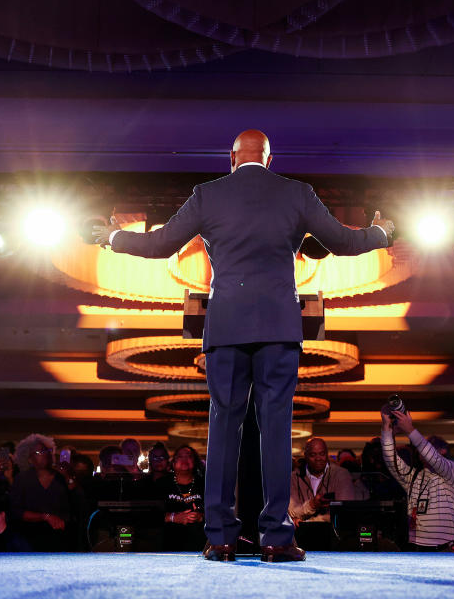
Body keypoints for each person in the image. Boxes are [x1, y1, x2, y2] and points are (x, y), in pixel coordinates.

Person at [94, 129, 393, 562]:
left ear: (230, 158)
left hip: (227, 326)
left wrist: (111, 237)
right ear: (270, 160)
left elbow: (158, 246)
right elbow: (344, 242)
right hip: (278, 328)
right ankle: (275, 538)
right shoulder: (297, 193)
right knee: (275, 433)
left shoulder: (206, 194)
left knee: (223, 430)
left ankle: (220, 539)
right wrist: (381, 232)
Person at [381, 408, 454, 550]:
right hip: (417, 546)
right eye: (422, 447)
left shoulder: (451, 471)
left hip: (443, 547)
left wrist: (409, 429)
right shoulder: (415, 476)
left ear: (443, 451)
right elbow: (390, 460)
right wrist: (387, 428)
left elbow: (432, 457)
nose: (423, 449)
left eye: (431, 446)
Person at [289, 438, 356, 550]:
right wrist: (312, 505)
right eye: (313, 455)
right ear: (305, 456)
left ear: (327, 454)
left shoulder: (341, 475)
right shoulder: (293, 478)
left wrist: (307, 521)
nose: (318, 458)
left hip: (334, 540)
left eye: (322, 454)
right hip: (300, 541)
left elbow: (344, 514)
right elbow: (292, 513)